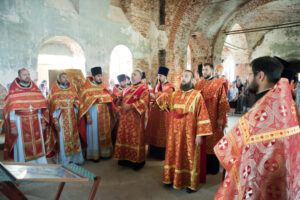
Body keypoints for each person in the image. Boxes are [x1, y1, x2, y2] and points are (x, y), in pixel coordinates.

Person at [214, 56, 300, 200]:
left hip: (263, 173)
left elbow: (233, 145)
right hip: (285, 173)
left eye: (249, 74)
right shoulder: (285, 101)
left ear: (260, 76)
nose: (247, 78)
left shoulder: (264, 107)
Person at [156, 70, 212, 192]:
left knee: (189, 156)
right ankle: (171, 178)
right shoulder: (175, 94)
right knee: (173, 155)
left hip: (189, 133)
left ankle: (190, 183)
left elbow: (202, 116)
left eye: (186, 76)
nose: (183, 78)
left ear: (192, 80)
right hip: (174, 133)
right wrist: (157, 93)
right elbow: (165, 104)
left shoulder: (197, 95)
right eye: (182, 76)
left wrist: (199, 135)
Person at [3, 68, 54, 163]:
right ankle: (23, 166)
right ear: (19, 77)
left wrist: (43, 122)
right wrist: (13, 126)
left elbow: (41, 108)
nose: (27, 76)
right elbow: (11, 111)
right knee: (22, 146)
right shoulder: (14, 91)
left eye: (28, 74)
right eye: (24, 74)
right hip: (20, 121)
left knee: (38, 144)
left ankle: (40, 164)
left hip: (36, 120)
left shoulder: (35, 90)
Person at [195, 63, 230, 175]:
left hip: (213, 117)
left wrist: (221, 117)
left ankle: (213, 167)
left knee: (213, 140)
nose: (204, 72)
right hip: (200, 117)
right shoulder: (199, 83)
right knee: (202, 140)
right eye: (203, 70)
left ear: (212, 70)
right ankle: (201, 166)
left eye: (206, 70)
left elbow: (223, 101)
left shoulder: (218, 84)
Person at [114, 69, 150, 170]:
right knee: (125, 136)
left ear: (140, 76)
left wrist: (130, 106)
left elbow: (144, 102)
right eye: (132, 74)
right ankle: (124, 158)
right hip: (125, 118)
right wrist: (117, 99)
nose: (132, 76)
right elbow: (120, 97)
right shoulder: (127, 88)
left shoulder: (144, 89)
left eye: (135, 74)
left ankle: (137, 161)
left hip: (135, 119)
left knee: (135, 138)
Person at [78, 66, 114, 161]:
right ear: (93, 76)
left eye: (101, 76)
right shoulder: (86, 88)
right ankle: (94, 155)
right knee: (94, 134)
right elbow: (84, 104)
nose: (100, 78)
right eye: (98, 76)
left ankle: (105, 153)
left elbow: (108, 98)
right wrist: (88, 116)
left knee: (104, 133)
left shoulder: (103, 86)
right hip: (93, 114)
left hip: (104, 113)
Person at [48, 72, 84, 165]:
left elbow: (77, 99)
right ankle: (64, 160)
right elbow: (52, 106)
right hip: (61, 117)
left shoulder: (72, 88)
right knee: (62, 138)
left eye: (66, 77)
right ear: (59, 79)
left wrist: (74, 105)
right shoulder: (54, 90)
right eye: (63, 77)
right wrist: (55, 121)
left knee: (74, 137)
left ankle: (75, 159)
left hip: (72, 116)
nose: (66, 79)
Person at [146, 66, 174, 160]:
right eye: (158, 75)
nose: (159, 77)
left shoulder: (170, 87)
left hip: (163, 114)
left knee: (162, 133)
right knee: (154, 131)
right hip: (155, 114)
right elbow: (152, 92)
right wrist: (148, 92)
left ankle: (161, 154)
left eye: (161, 75)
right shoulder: (157, 86)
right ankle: (153, 151)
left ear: (165, 76)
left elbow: (167, 97)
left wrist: (155, 95)